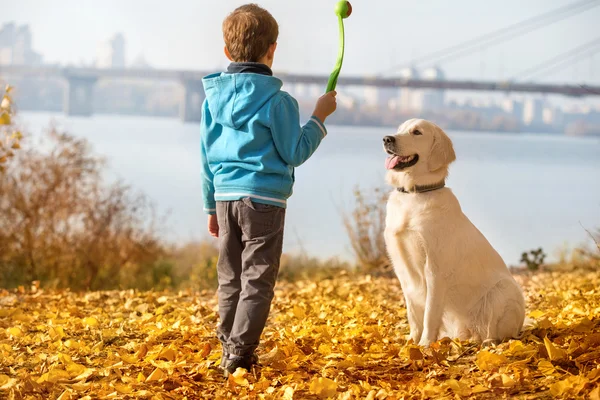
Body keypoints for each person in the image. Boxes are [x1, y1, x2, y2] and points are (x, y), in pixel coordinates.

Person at [200, 3, 337, 376]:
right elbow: (295, 151)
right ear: (272, 49)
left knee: (230, 277)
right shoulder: (279, 101)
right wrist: (319, 118)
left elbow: (206, 156)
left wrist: (210, 206)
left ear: (226, 52)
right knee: (257, 279)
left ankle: (228, 343)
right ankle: (239, 354)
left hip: (225, 197)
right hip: (264, 201)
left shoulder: (211, 100)